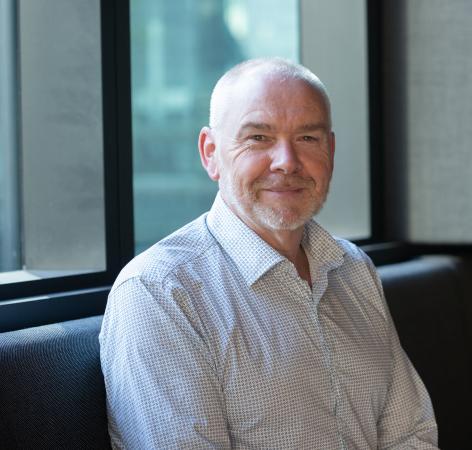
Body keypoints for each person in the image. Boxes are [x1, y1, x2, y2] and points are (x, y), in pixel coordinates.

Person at [99, 58, 438, 449]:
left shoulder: (353, 269)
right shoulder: (160, 294)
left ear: (330, 150)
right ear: (210, 153)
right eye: (258, 138)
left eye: (307, 138)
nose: (287, 162)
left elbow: (411, 435)